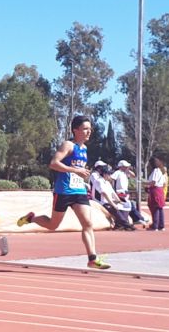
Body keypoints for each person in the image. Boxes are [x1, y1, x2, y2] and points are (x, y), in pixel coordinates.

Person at [16, 115, 111, 269]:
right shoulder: (68, 145)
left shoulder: (84, 149)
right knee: (53, 225)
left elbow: (77, 170)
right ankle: (31, 219)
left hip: (79, 191)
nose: (89, 132)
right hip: (63, 191)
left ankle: (92, 258)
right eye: (85, 129)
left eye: (90, 129)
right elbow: (53, 164)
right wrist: (75, 170)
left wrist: (81, 174)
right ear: (76, 130)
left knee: (88, 223)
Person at [96, 166, 136, 231]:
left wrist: (119, 201)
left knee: (126, 205)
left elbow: (113, 193)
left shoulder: (107, 182)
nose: (110, 175)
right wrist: (113, 204)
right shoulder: (99, 181)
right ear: (104, 174)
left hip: (109, 201)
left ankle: (119, 225)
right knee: (114, 208)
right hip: (102, 202)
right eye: (109, 174)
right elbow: (104, 194)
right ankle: (127, 225)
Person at [111, 160, 148, 225]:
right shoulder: (117, 172)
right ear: (121, 166)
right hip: (120, 192)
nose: (127, 167)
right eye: (125, 166)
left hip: (125, 192)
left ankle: (137, 218)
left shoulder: (125, 173)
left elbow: (134, 175)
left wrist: (128, 170)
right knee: (130, 205)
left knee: (130, 206)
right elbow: (111, 179)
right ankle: (139, 218)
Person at [146, 156, 167, 231]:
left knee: (155, 207)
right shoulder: (162, 171)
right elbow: (164, 183)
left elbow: (153, 182)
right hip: (160, 190)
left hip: (155, 190)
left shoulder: (155, 171)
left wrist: (144, 183)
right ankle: (161, 225)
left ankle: (155, 225)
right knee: (160, 208)